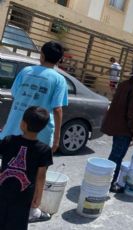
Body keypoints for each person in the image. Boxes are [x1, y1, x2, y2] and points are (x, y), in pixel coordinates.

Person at [0, 41, 68, 222]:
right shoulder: (59, 79)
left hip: (15, 127)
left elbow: (15, 95)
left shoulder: (25, 71)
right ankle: (33, 210)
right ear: (59, 60)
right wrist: (56, 138)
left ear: (42, 55)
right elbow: (58, 109)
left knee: (7, 167)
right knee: (38, 172)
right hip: (41, 133)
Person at [0, 107, 53, 230]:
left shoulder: (9, 140)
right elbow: (41, 176)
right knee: (18, 222)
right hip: (24, 194)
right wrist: (38, 196)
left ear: (23, 124)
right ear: (43, 127)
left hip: (3, 189)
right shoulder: (44, 149)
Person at [102, 64, 133, 193]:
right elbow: (132, 115)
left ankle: (106, 181)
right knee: (117, 157)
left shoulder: (123, 85)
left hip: (116, 127)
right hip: (124, 130)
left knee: (114, 155)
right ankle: (110, 183)